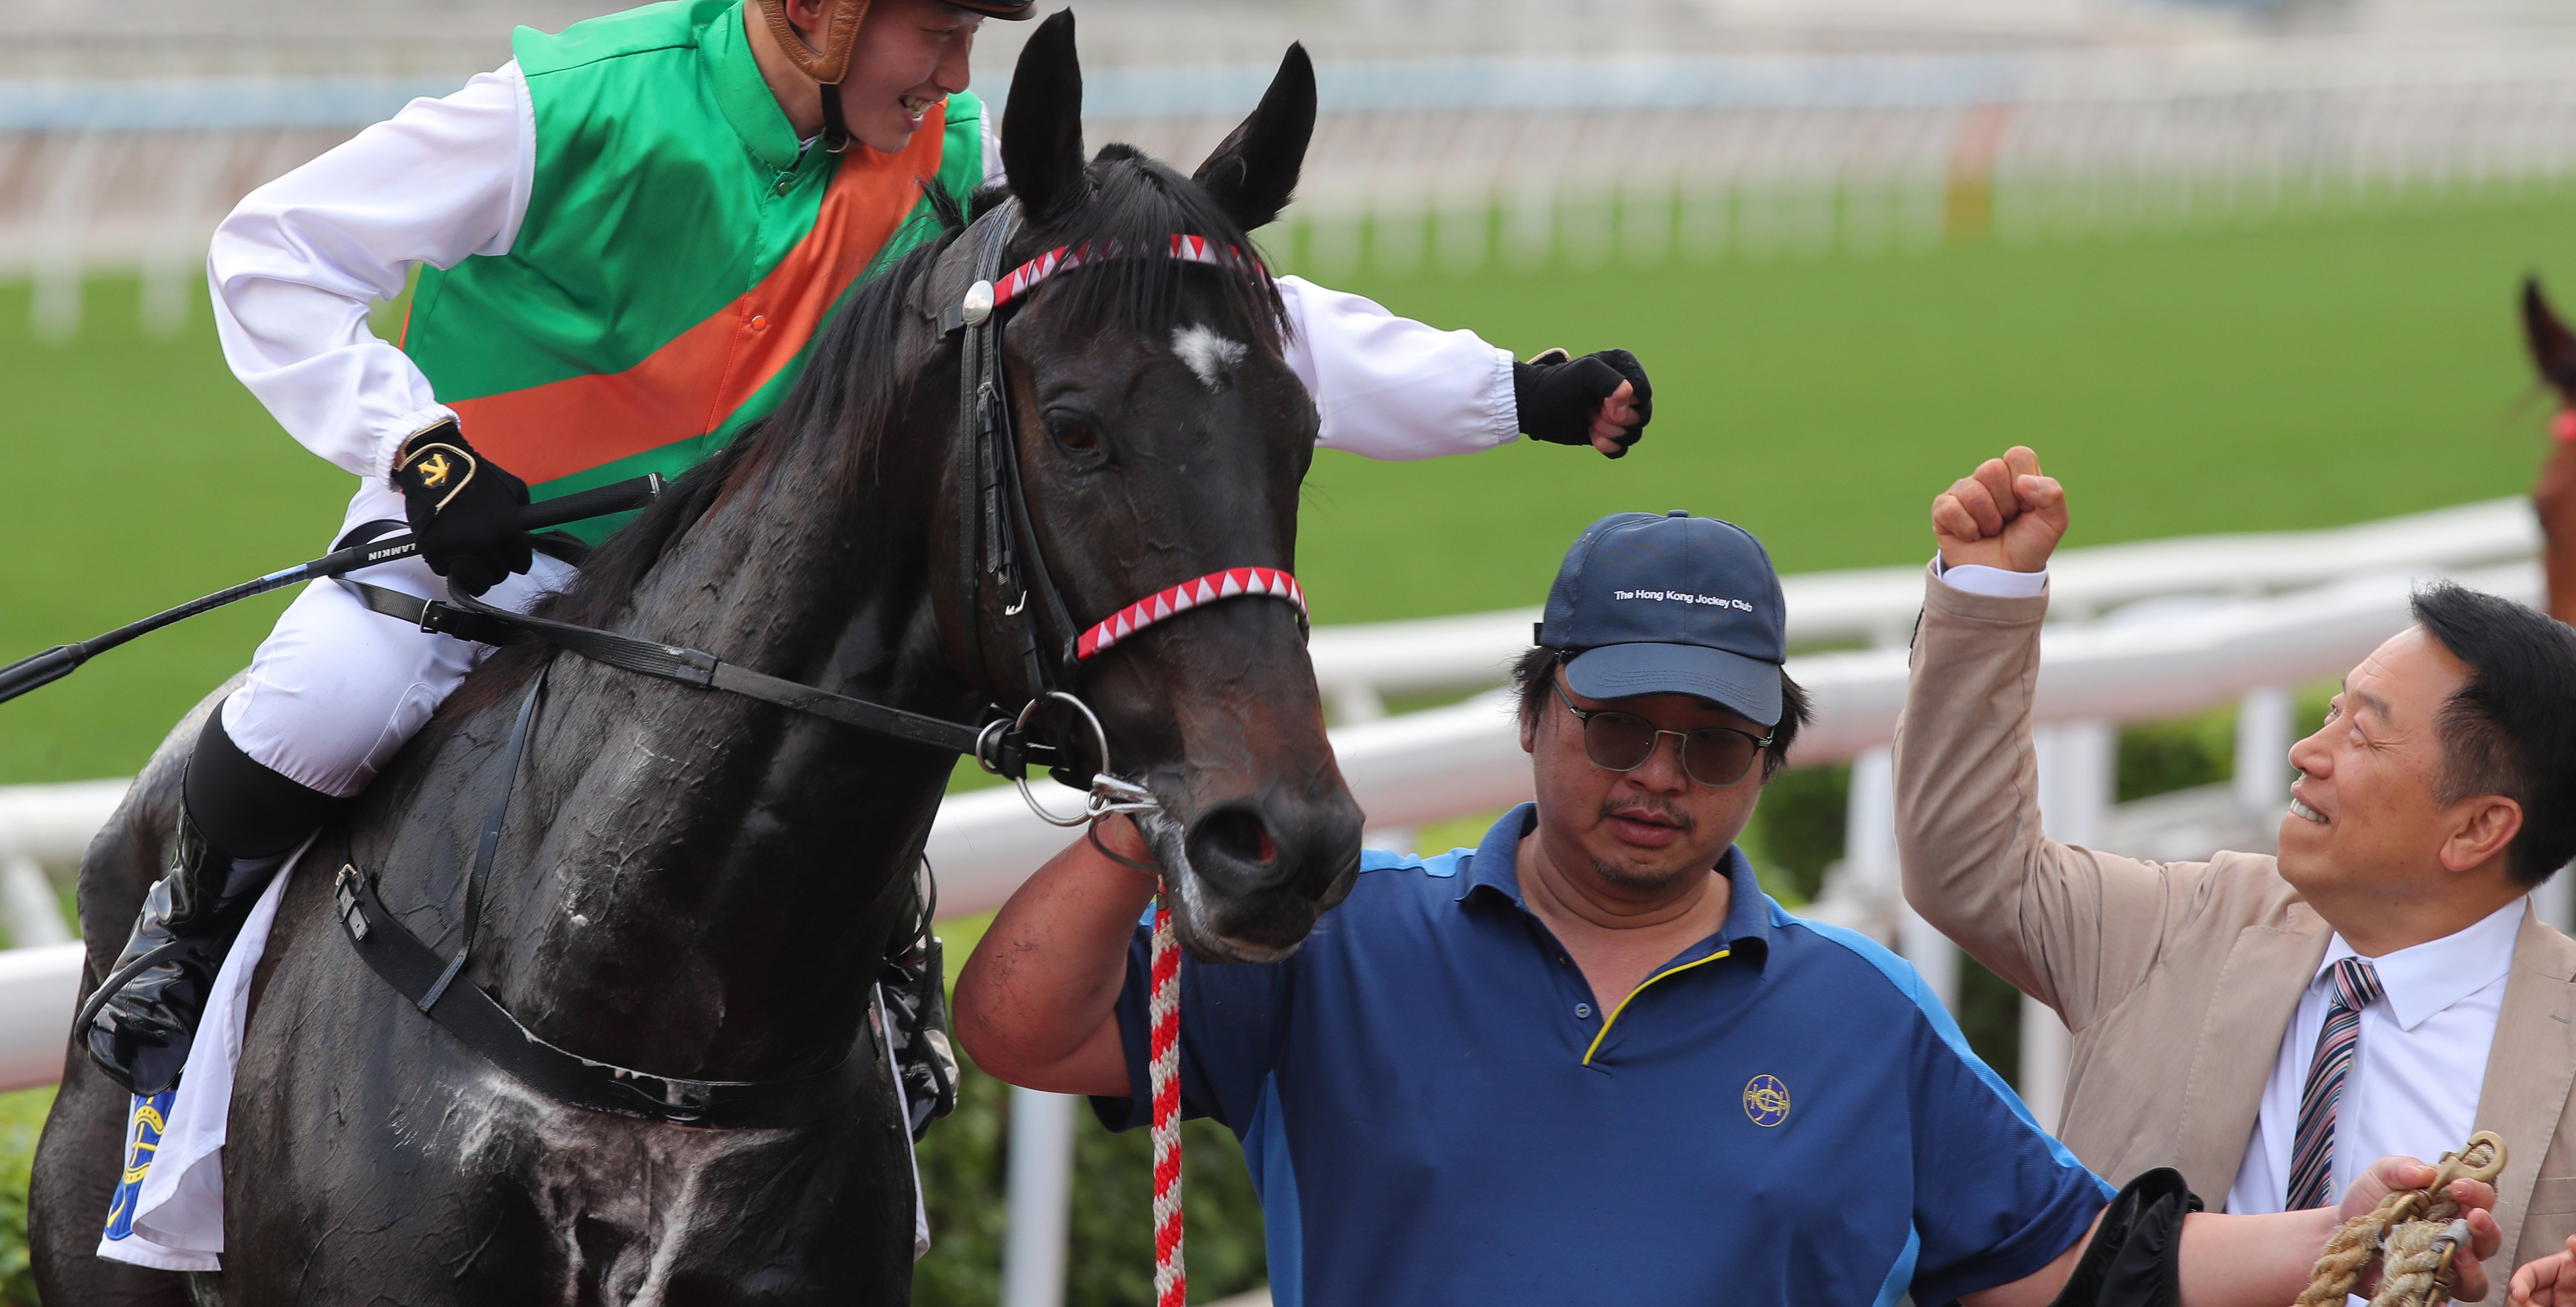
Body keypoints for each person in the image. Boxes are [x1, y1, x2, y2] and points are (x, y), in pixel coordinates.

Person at [76, 0, 1657, 1110]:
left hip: (735, 598)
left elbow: (1191, 332)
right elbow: (271, 255)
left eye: (979, 36)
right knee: (325, 687)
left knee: (845, 753)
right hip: (501, 552)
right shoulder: (574, 108)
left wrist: (1508, 390)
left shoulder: (953, 154)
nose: (959, 74)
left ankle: (874, 1000)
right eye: (934, 32)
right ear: (815, 7)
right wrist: (423, 456)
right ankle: (177, 963)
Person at [954, 509, 2499, 1306]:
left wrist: (2349, 1234)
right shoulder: (1341, 938)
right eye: (1617, 726)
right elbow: (1019, 1021)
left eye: (1712, 744)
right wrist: (1142, 817)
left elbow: (2079, 1267)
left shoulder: (1859, 1008)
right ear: (1535, 715)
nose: (1658, 774)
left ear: (1766, 758)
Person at [1894, 446, 2576, 1274]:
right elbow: (1965, 863)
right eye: (2331, 713)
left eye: (2360, 734)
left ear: (2478, 830)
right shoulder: (2186, 925)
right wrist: (1987, 596)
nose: (2306, 752)